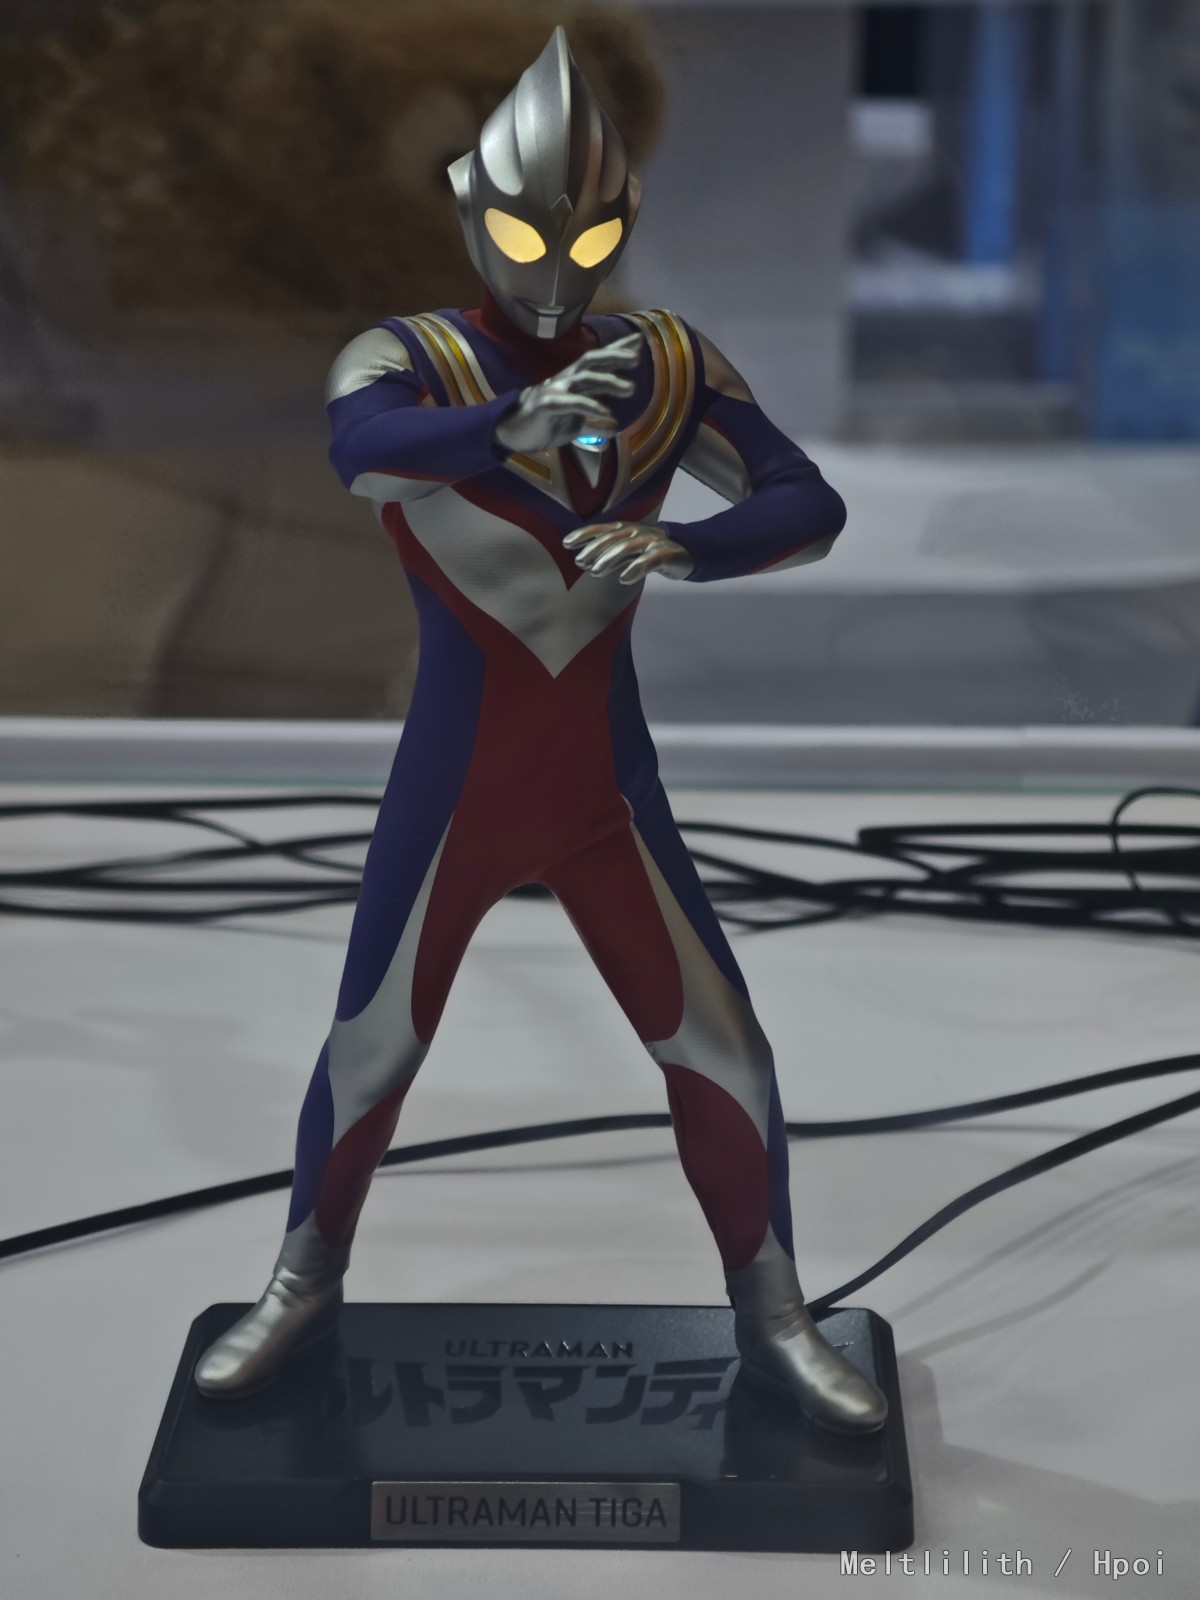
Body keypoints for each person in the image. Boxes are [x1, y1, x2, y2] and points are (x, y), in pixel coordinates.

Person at [194, 27, 886, 1435]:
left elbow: (807, 501)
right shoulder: (407, 357)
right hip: (457, 787)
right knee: (373, 1048)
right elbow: (359, 454)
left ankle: (775, 1316)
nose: (559, 266)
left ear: (627, 222)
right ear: (468, 202)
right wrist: (504, 427)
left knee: (725, 1051)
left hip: (602, 793)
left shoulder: (664, 361)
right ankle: (301, 1287)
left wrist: (694, 547)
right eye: (524, 230)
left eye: (590, 234)